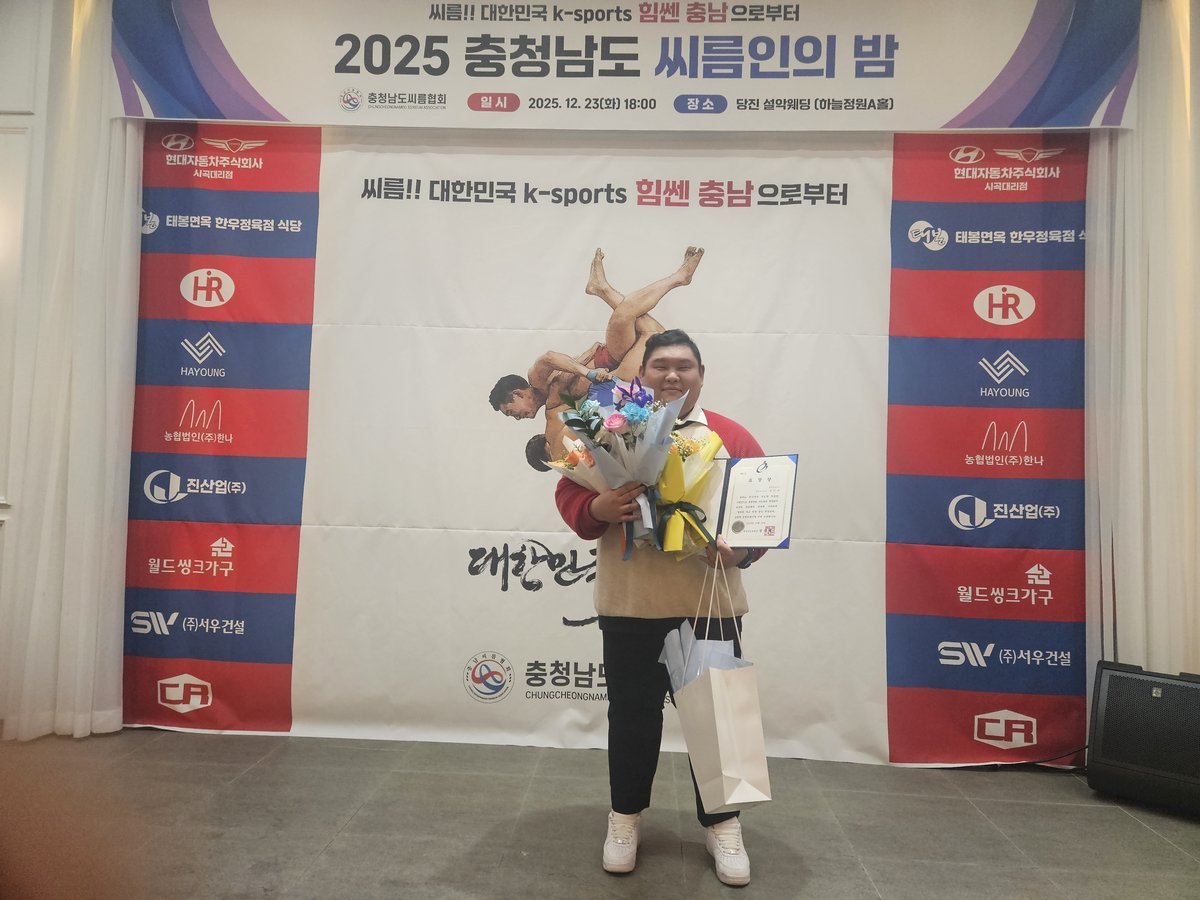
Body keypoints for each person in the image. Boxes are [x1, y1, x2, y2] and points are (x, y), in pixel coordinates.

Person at [554, 329, 765, 886]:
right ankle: (624, 818)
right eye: (661, 365)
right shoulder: (606, 427)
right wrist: (599, 506)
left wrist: (744, 549)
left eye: (684, 366)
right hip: (630, 601)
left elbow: (762, 508)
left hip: (709, 602)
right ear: (640, 375)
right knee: (631, 718)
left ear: (701, 375)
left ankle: (724, 824)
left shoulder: (729, 436)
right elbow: (570, 492)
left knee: (719, 720)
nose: (672, 375)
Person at [490, 248, 704, 461]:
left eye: (510, 411)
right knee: (639, 323)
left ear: (518, 394)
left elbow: (550, 357)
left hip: (607, 359)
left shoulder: (537, 380)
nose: (516, 418)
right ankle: (603, 288)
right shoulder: (552, 407)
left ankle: (672, 279)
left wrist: (587, 370)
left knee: (631, 319)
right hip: (614, 377)